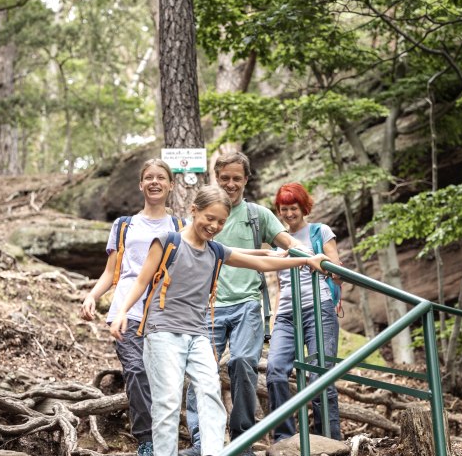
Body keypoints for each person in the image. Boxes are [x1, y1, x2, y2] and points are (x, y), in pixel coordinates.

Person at [109, 185, 330, 456]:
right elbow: (141, 281)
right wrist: (121, 312)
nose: (214, 226)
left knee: (211, 396)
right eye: (209, 218)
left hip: (199, 334)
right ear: (194, 211)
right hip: (163, 331)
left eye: (221, 222)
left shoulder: (215, 250)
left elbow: (259, 264)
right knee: (167, 403)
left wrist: (306, 260)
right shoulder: (167, 241)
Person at [182, 152, 305, 456]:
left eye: (237, 178)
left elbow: (286, 241)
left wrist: (308, 254)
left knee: (242, 364)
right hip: (208, 305)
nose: (231, 184)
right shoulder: (205, 215)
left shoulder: (257, 214)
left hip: (248, 304)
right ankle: (203, 443)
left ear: (247, 179)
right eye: (225, 178)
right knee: (200, 372)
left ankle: (242, 440)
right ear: (216, 178)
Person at [80, 158, 181, 456]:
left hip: (164, 314)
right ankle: (146, 440)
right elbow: (112, 271)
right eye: (148, 177)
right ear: (140, 184)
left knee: (163, 378)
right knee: (136, 371)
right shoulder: (124, 225)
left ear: (170, 185)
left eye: (161, 177)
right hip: (126, 312)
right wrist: (92, 296)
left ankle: (168, 438)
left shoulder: (179, 226)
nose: (154, 182)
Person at [267, 182, 342, 441]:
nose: (288, 213)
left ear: (303, 207)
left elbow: (339, 273)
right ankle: (284, 439)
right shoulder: (278, 242)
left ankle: (329, 440)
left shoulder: (320, 231)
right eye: (283, 209)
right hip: (287, 315)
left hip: (319, 310)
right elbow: (280, 286)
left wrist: (323, 263)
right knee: (275, 370)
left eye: (293, 208)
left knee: (318, 376)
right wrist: (274, 320)